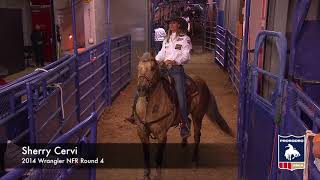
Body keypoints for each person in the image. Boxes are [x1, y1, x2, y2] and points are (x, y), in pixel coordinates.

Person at [155, 15, 192, 138]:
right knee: (145, 85)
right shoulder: (166, 39)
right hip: (163, 69)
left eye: (174, 23)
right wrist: (155, 60)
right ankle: (136, 113)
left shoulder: (185, 39)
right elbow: (161, 54)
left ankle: (185, 124)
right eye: (170, 23)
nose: (171, 25)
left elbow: (186, 56)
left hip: (176, 70)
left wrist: (175, 61)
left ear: (179, 25)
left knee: (181, 97)